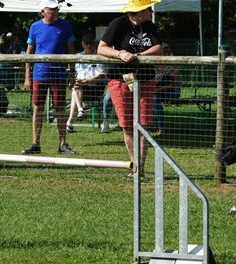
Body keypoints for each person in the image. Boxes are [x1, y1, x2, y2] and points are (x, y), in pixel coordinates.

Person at [98, 0, 163, 178]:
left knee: (143, 124)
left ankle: (140, 168)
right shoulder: (118, 23)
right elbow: (101, 48)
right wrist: (120, 54)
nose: (150, 11)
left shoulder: (150, 25)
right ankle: (134, 164)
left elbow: (158, 48)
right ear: (139, 11)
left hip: (145, 79)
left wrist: (140, 56)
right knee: (127, 125)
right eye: (148, 8)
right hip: (120, 79)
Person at [22, 0, 76, 155]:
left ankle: (63, 144)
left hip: (59, 74)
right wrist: (27, 76)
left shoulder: (65, 25)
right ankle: (35, 144)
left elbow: (71, 51)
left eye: (55, 9)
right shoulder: (34, 27)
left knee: (60, 109)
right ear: (42, 12)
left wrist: (72, 73)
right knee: (37, 109)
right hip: (39, 73)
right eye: (51, 10)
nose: (54, 12)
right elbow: (29, 53)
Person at [66, 32, 107, 133]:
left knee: (74, 92)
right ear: (83, 44)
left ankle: (72, 120)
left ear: (94, 43)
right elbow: (75, 74)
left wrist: (88, 81)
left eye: (91, 43)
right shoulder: (78, 56)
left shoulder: (99, 56)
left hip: (95, 88)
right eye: (86, 43)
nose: (89, 45)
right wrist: (77, 80)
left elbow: (101, 75)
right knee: (76, 88)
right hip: (81, 88)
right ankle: (79, 111)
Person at [154, 42, 181, 135]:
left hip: (171, 91)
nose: (164, 54)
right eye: (162, 52)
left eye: (166, 52)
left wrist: (157, 89)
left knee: (155, 99)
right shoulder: (154, 65)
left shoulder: (174, 66)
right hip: (156, 91)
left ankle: (161, 127)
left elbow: (172, 85)